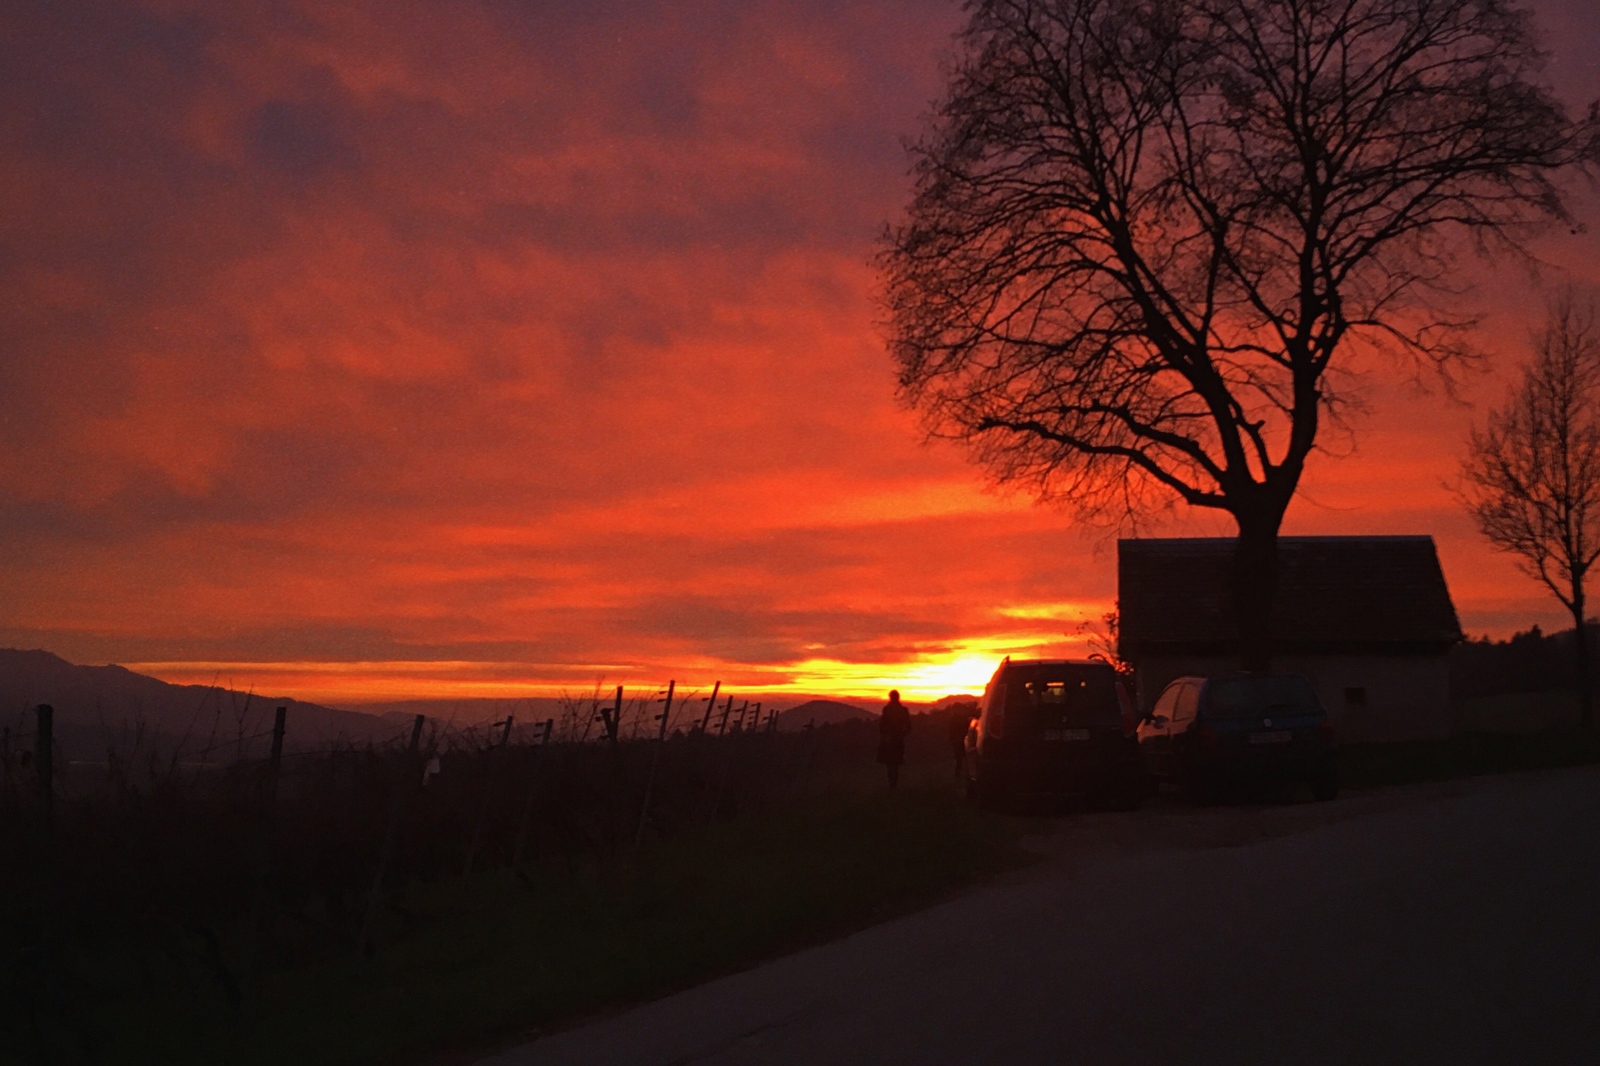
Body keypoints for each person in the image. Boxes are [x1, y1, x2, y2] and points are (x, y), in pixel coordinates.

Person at [877, 690, 912, 790]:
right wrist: (902, 734)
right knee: (894, 763)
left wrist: (886, 736)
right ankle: (893, 785)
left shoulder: (888, 709)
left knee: (891, 764)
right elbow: (908, 727)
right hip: (895, 740)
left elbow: (882, 726)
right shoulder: (901, 710)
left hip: (891, 740)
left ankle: (892, 785)